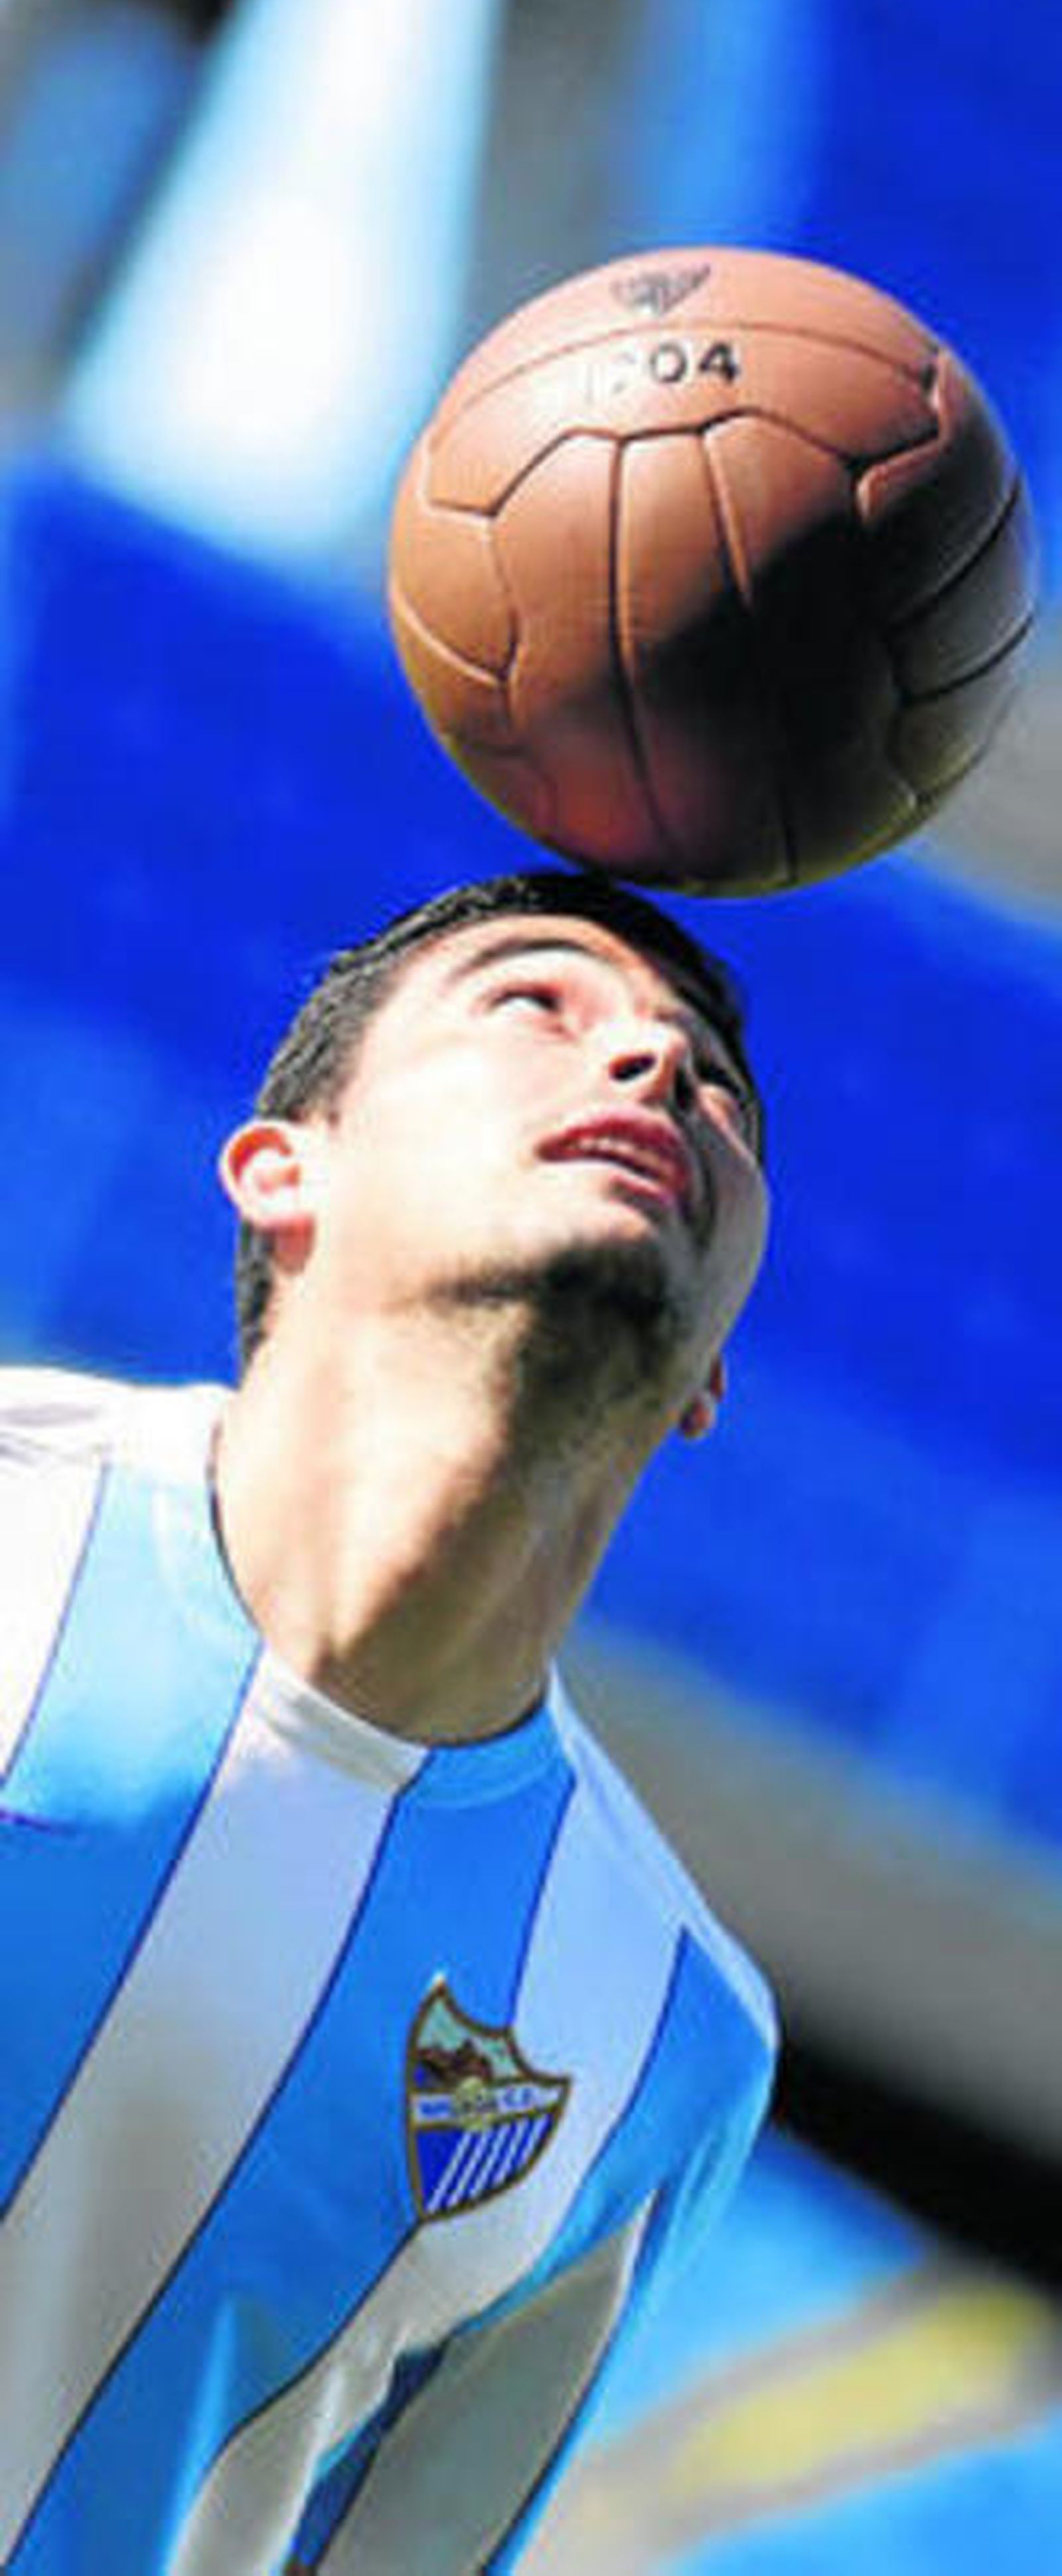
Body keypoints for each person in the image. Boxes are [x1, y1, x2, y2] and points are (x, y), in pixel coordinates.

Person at [0, 864, 777, 2575]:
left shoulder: (662, 2034)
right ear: (289, 1172)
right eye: (536, 1004)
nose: (655, 1071)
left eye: (711, 1081)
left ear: (714, 1368)